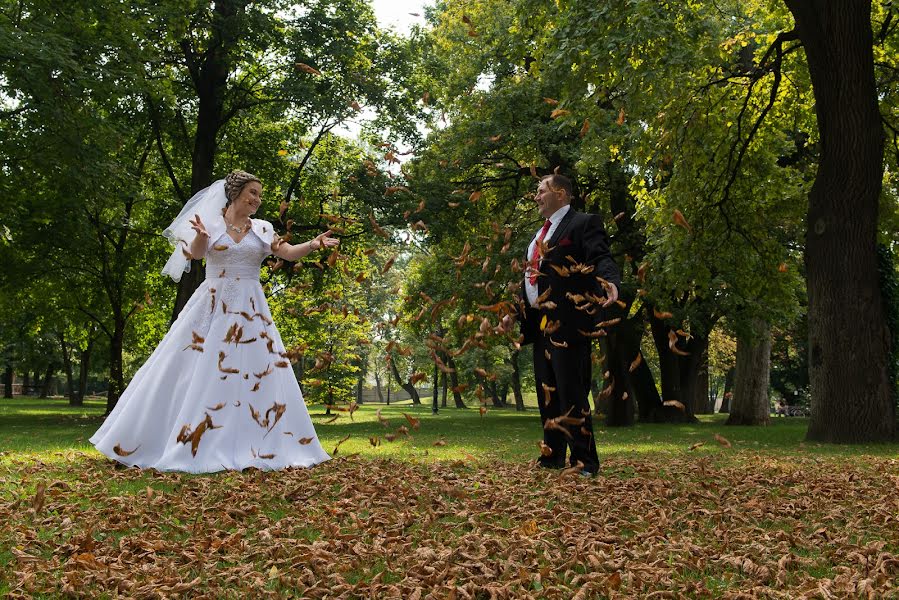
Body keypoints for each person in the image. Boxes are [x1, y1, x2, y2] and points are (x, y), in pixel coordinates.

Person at [90, 170, 338, 473]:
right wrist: (202, 237)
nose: (258, 200)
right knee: (188, 367)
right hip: (211, 304)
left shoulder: (261, 228)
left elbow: (286, 252)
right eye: (253, 193)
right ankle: (170, 439)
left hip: (251, 309)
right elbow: (193, 255)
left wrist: (312, 245)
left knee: (255, 370)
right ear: (235, 193)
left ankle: (253, 441)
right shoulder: (209, 223)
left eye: (259, 195)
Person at [513, 174, 620, 476]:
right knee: (548, 394)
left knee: (571, 392)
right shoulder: (537, 238)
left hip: (571, 324)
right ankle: (552, 457)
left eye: (541, 191)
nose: (536, 197)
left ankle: (585, 462)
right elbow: (532, 281)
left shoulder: (583, 223)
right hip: (541, 326)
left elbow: (601, 256)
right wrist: (515, 310)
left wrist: (610, 281)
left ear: (561, 193)